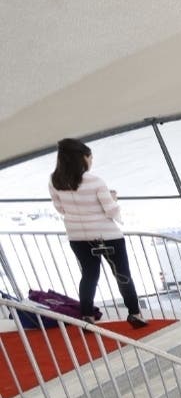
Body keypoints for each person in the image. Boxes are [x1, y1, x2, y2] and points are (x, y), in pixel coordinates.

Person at [47, 138, 148, 328]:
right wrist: (113, 198)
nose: (91, 161)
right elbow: (110, 210)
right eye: (90, 157)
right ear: (82, 158)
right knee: (122, 275)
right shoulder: (96, 182)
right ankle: (135, 314)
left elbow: (60, 208)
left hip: (77, 236)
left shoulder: (55, 181)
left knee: (89, 275)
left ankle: (87, 316)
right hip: (107, 235)